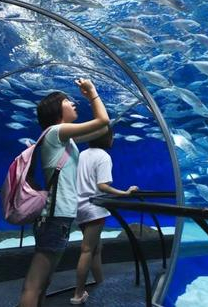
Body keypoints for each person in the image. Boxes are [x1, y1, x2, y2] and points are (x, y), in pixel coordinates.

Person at [19, 79, 110, 307]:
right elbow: (103, 121)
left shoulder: (64, 139)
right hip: (54, 216)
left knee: (44, 281)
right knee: (34, 283)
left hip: (60, 216)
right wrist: (92, 93)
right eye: (68, 101)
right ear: (56, 109)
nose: (73, 103)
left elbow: (101, 129)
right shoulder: (56, 132)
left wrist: (97, 109)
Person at [71, 126, 138, 304]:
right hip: (94, 208)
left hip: (79, 206)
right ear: (105, 138)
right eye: (112, 136)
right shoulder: (103, 156)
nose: (113, 139)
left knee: (96, 248)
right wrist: (124, 193)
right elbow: (102, 186)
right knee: (87, 249)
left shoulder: (82, 154)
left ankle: (101, 283)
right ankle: (78, 294)